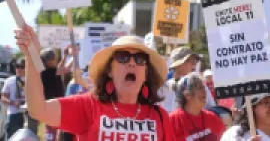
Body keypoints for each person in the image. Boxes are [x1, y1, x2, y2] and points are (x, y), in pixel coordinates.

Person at [15, 25, 176, 140]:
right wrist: (31, 56)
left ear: (146, 74)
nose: (132, 63)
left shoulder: (159, 116)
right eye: (122, 57)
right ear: (109, 71)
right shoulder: (89, 106)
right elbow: (38, 110)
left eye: (140, 59)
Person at [170, 73, 225, 140]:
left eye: (204, 87)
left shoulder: (213, 118)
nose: (204, 91)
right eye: (200, 88)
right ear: (187, 95)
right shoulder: (173, 121)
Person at [161, 47, 216, 112]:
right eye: (190, 61)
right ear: (178, 64)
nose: (194, 64)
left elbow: (213, 109)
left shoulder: (201, 87)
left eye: (195, 61)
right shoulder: (163, 88)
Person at [40, 47, 72, 141]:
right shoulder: (50, 72)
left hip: (49, 104)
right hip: (54, 105)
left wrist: (66, 56)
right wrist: (73, 56)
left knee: (51, 129)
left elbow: (60, 67)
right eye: (54, 58)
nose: (55, 59)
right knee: (54, 130)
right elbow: (66, 69)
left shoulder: (45, 71)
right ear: (49, 61)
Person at [1, 58, 25, 139]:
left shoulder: (31, 81)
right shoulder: (9, 80)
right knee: (11, 137)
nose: (19, 69)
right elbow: (3, 97)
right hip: (13, 114)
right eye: (17, 66)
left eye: (22, 67)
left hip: (28, 114)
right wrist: (13, 103)